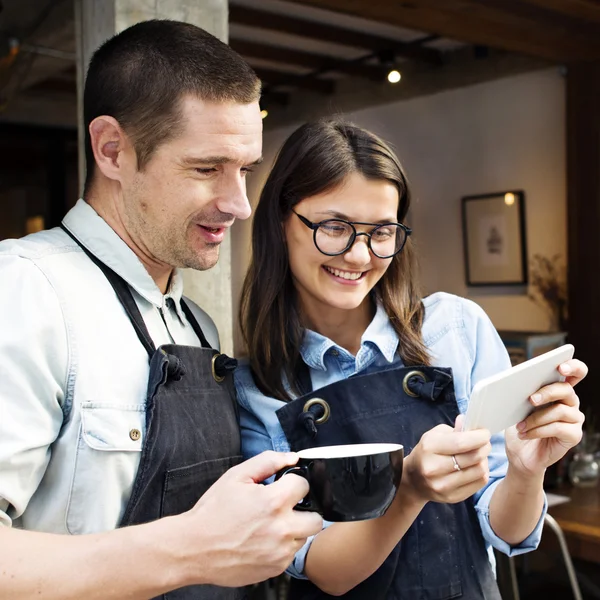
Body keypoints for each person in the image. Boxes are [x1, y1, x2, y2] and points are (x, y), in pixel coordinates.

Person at [0, 20, 322, 600]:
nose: (239, 205)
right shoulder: (25, 289)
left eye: (245, 170)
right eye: (206, 169)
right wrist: (192, 550)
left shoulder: (195, 324)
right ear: (113, 150)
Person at [235, 118, 587, 600]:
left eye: (381, 231)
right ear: (280, 220)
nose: (359, 256)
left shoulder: (457, 329)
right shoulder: (258, 386)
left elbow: (506, 531)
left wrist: (527, 471)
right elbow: (323, 570)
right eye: (335, 227)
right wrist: (410, 488)